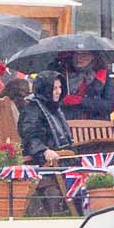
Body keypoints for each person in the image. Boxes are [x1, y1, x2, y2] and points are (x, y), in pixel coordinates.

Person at [19, 71, 77, 215]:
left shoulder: (53, 107)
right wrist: (44, 151)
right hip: (46, 163)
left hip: (63, 160)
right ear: (45, 89)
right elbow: (30, 136)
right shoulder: (32, 109)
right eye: (54, 88)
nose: (59, 92)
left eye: (60, 88)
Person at [55, 50, 114, 121]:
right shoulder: (63, 74)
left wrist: (81, 101)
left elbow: (109, 106)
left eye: (84, 55)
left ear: (93, 57)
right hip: (69, 124)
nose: (79, 58)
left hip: (96, 126)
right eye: (76, 54)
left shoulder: (105, 74)